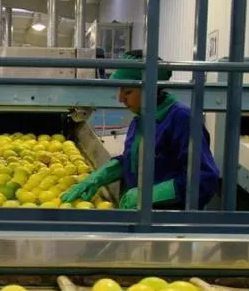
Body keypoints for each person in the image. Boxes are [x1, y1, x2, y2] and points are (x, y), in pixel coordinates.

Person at [62, 51, 219, 209]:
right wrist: (98, 178)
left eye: (128, 92)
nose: (121, 99)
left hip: (170, 218)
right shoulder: (141, 119)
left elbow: (204, 178)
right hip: (140, 215)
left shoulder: (182, 120)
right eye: (120, 91)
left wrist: (148, 196)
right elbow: (131, 161)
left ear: (150, 90)